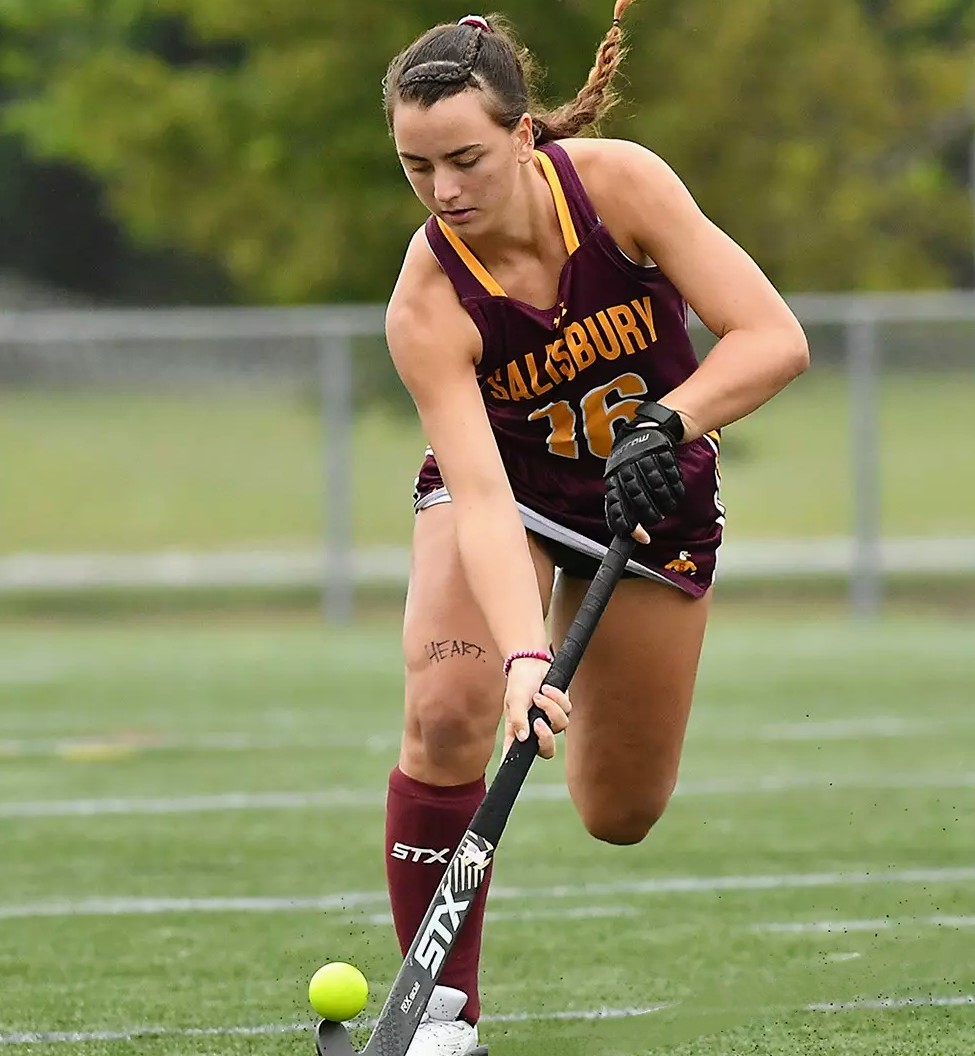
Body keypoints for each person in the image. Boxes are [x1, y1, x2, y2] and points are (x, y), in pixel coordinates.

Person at [380, 3, 809, 1053]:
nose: (445, 192)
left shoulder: (618, 186)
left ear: (528, 136)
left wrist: (672, 421)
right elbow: (478, 498)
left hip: (650, 495)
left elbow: (773, 338)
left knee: (620, 813)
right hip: (515, 497)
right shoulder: (428, 304)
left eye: (468, 159)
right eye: (417, 166)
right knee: (446, 709)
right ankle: (442, 1018)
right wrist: (524, 653)